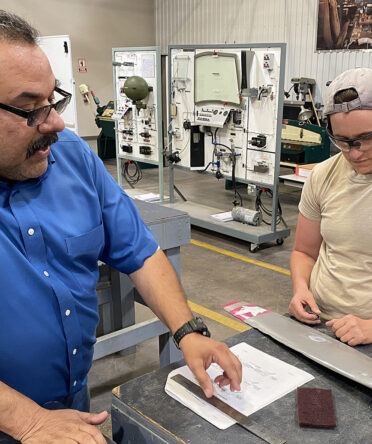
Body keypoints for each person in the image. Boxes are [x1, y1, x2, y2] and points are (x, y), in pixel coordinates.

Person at [0, 10, 242, 444]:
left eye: (52, 100)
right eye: (28, 110)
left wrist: (187, 330)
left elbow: (140, 252)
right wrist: (28, 421)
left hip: (72, 414)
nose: (54, 122)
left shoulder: (72, 157)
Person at [289, 67, 372, 347]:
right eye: (343, 142)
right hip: (322, 325)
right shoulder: (324, 175)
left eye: (366, 138)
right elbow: (304, 252)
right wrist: (301, 289)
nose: (355, 152)